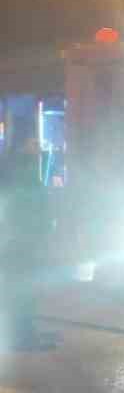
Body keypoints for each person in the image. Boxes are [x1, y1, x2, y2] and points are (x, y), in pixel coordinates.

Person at [1, 137, 47, 351]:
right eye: (33, 144)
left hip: (20, 238)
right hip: (19, 239)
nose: (39, 148)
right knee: (23, 288)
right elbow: (25, 204)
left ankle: (25, 332)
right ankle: (23, 336)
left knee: (24, 287)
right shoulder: (20, 171)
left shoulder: (19, 169)